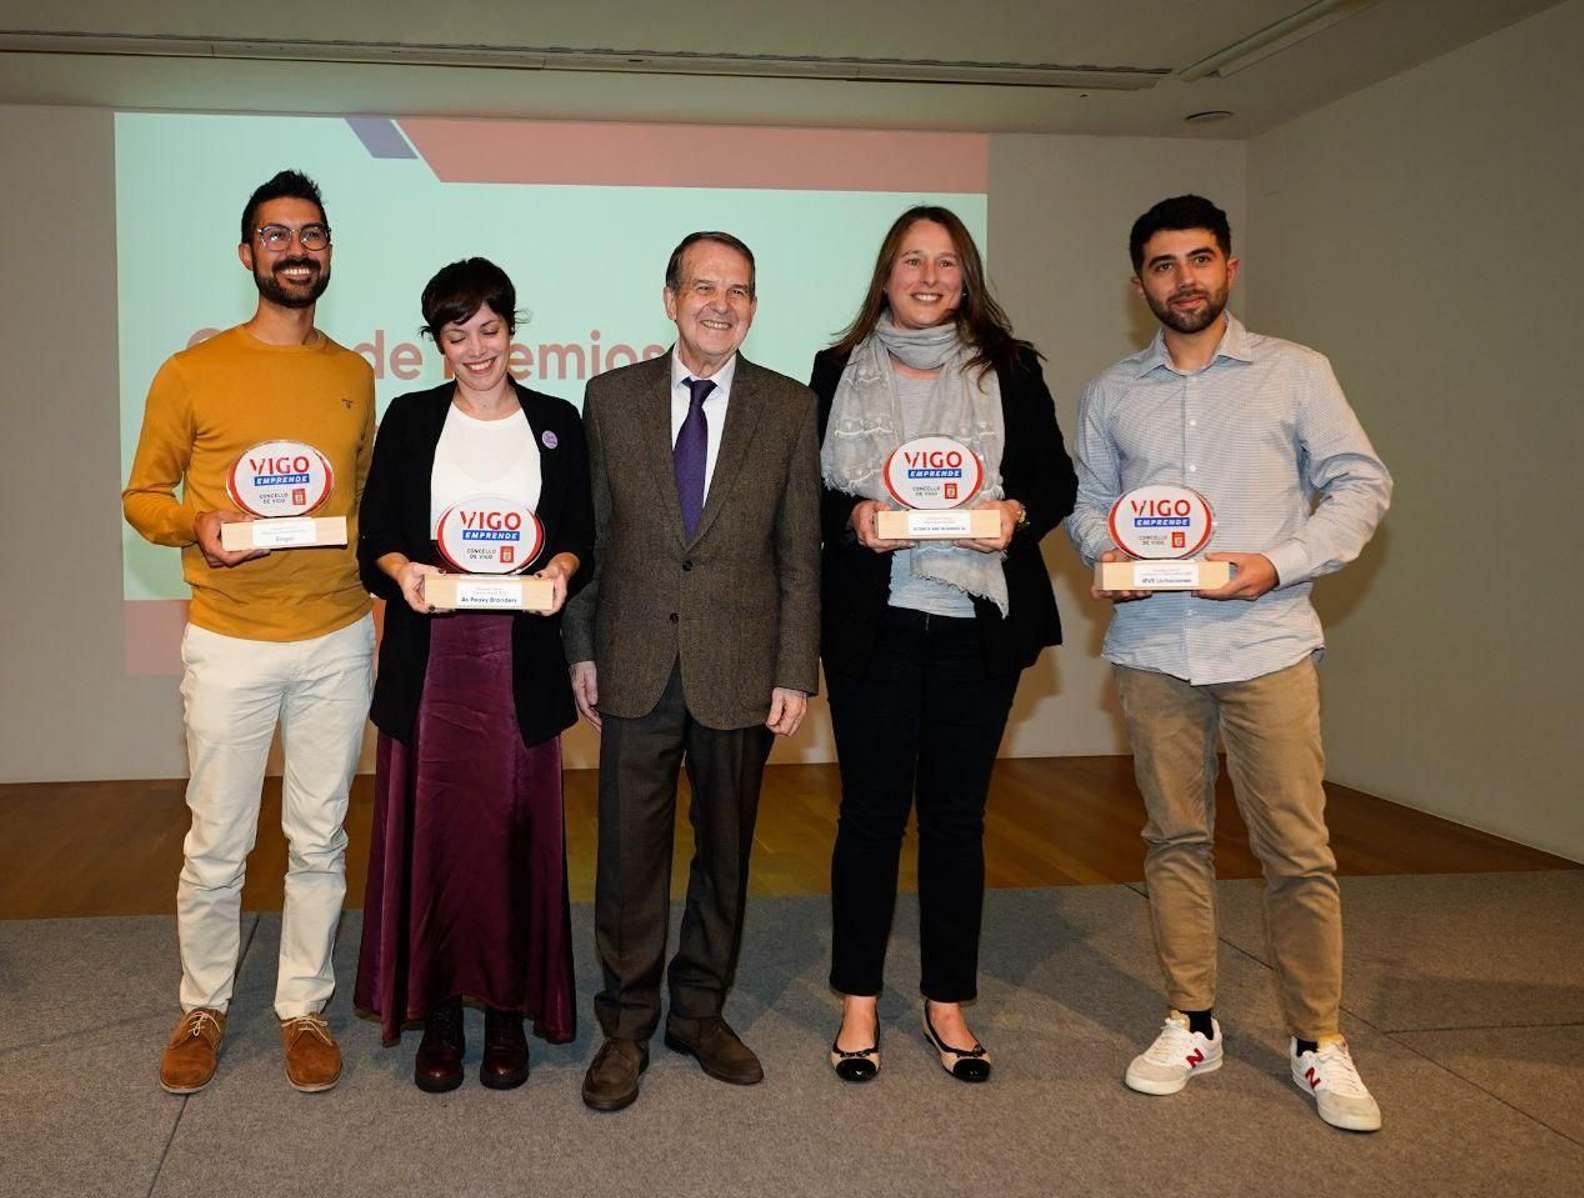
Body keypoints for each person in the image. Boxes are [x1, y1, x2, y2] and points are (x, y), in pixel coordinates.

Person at [1067, 194, 1393, 1131]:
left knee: (1297, 849)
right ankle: (1192, 1020)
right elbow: (1091, 503)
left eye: (1200, 259)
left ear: (1229, 268)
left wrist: (1277, 564)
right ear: (1141, 286)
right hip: (1153, 649)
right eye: (1164, 266)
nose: (1185, 279)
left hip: (1268, 645)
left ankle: (1318, 1041)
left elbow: (1362, 482)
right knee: (1174, 841)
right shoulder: (1111, 391)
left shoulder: (1296, 373)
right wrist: (1108, 557)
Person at [123, 169, 376, 1094]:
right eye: (276, 236)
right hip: (228, 639)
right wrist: (196, 524)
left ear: (328, 252)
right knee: (216, 839)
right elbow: (142, 495)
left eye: (311, 234)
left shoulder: (354, 372)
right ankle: (204, 1005)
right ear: (247, 254)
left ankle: (302, 1008)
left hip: (337, 637)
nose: (296, 249)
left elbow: (365, 500)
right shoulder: (193, 371)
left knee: (320, 837)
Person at [813, 206, 1075, 1083]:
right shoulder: (836, 368)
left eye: (948, 263)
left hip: (977, 627)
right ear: (885, 275)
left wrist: (1015, 513)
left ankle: (946, 1003)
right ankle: (858, 1001)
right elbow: (799, 497)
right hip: (875, 622)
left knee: (958, 822)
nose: (929, 277)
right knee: (871, 818)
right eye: (912, 261)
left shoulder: (1010, 367)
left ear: (968, 279)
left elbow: (1054, 480)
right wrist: (851, 518)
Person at [563, 231, 821, 1112]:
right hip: (633, 661)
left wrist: (795, 668)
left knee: (726, 854)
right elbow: (589, 539)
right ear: (669, 298)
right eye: (704, 287)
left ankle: (699, 1012)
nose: (722, 303)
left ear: (754, 305)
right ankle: (627, 1027)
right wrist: (581, 647)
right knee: (629, 857)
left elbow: (800, 554)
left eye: (739, 290)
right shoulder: (610, 398)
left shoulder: (788, 408)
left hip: (741, 670)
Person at [352, 258, 593, 1093]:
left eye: (490, 329)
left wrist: (560, 566)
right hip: (433, 669)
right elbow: (373, 539)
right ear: (439, 342)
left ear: (511, 329)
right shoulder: (410, 419)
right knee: (438, 844)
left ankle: (505, 1014)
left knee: (509, 845)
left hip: (517, 670)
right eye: (459, 334)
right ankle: (441, 1013)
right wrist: (401, 569)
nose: (477, 347)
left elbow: (581, 537)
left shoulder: (558, 421)